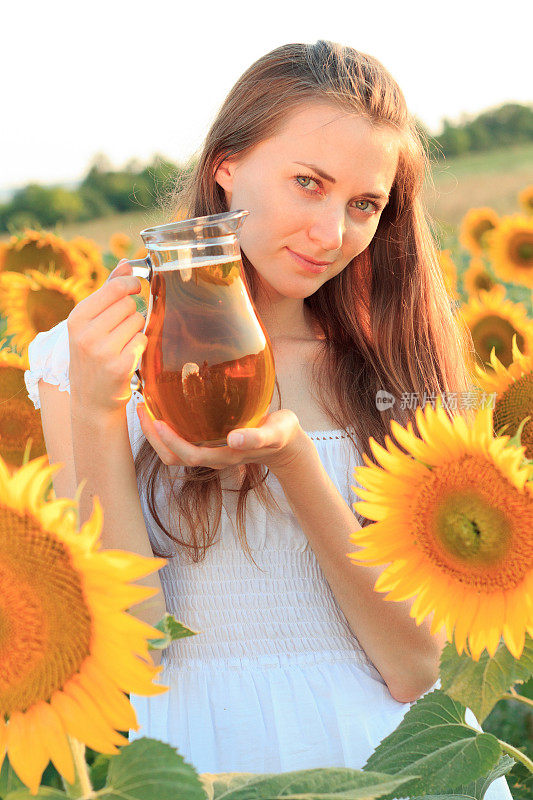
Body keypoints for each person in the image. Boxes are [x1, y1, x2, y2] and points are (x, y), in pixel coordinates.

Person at [25, 41, 512, 797]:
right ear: (226, 165)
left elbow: (414, 666)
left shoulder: (399, 362)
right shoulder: (88, 355)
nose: (330, 235)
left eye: (362, 205)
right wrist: (94, 409)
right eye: (306, 184)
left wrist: (293, 462)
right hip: (203, 758)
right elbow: (142, 647)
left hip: (385, 763)